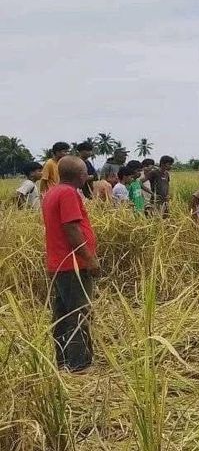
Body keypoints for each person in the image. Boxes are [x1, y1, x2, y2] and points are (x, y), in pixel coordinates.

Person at [41, 156, 99, 372]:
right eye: (85, 172)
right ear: (80, 175)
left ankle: (63, 360)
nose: (87, 175)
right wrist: (90, 259)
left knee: (63, 314)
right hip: (72, 264)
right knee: (79, 313)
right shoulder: (68, 193)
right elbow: (72, 229)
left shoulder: (53, 192)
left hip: (58, 263)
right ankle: (79, 364)